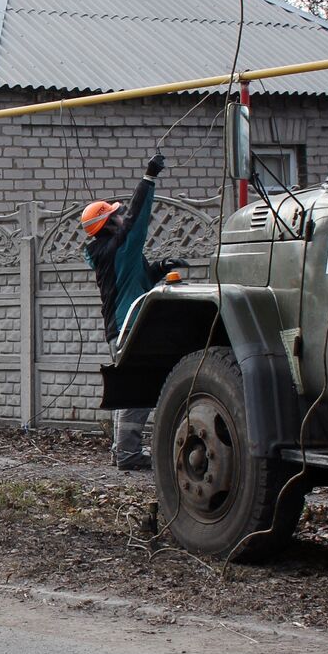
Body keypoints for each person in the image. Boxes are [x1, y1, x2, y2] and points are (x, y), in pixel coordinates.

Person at [81, 153, 188, 471]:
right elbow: (137, 221)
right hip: (129, 328)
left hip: (120, 328)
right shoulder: (118, 246)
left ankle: (121, 451)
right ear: (108, 224)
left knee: (128, 391)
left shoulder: (112, 254)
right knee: (137, 395)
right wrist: (149, 177)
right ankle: (127, 454)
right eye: (114, 215)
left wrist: (159, 268)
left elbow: (133, 279)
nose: (120, 215)